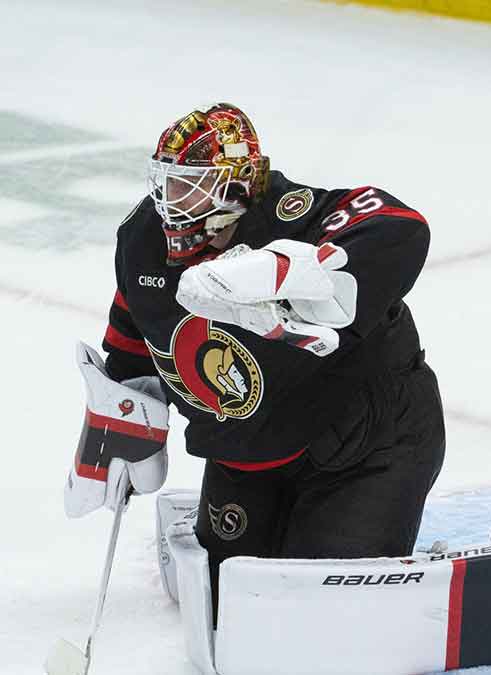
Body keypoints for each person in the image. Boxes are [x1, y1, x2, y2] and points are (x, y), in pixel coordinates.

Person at [84, 102, 445, 622]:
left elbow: (400, 225)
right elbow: (135, 324)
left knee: (317, 619)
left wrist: (283, 272)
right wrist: (120, 412)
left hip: (365, 447)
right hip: (251, 455)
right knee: (220, 605)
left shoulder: (292, 218)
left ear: (236, 186)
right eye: (165, 183)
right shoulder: (144, 238)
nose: (168, 201)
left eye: (189, 185)